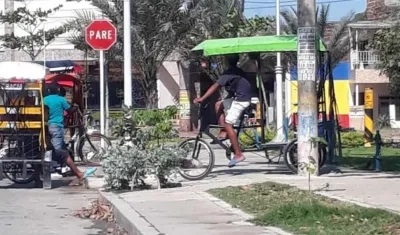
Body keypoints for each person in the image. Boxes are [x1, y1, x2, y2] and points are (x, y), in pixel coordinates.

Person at [193, 54, 252, 167]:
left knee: (229, 124)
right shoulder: (237, 70)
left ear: (227, 62)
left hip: (241, 100)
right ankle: (223, 131)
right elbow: (236, 85)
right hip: (239, 98)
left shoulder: (229, 73)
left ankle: (238, 154)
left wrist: (201, 98)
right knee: (218, 104)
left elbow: (215, 86)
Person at [44, 105, 96, 181]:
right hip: (43, 151)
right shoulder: (43, 125)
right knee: (64, 154)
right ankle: (79, 174)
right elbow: (46, 142)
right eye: (47, 113)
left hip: (35, 150)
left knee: (62, 150)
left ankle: (68, 170)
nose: (48, 115)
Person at [43, 83, 78, 150]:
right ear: (58, 90)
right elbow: (69, 111)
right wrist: (76, 107)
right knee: (57, 149)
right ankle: (56, 160)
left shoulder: (44, 99)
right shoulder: (61, 99)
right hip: (57, 126)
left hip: (46, 126)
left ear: (49, 90)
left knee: (59, 146)